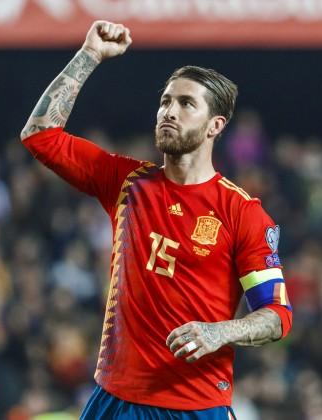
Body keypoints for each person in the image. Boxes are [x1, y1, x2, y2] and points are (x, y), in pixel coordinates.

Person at [20, 20, 293, 419]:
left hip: (194, 406)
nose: (169, 111)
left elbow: (278, 316)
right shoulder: (126, 182)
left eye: (186, 104)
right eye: (165, 101)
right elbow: (39, 135)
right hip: (114, 399)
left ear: (215, 126)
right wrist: (89, 54)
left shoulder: (242, 213)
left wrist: (219, 332)